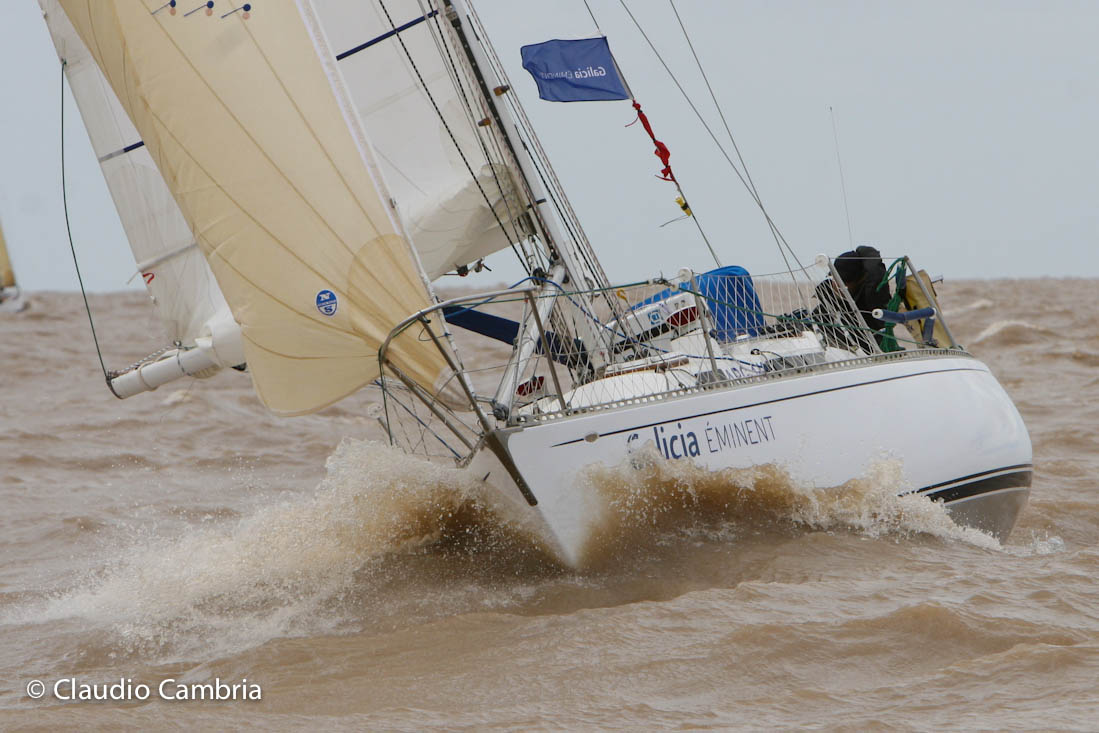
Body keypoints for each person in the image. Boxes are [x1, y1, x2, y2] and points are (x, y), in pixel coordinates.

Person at [813, 245, 891, 352]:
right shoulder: (827, 302)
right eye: (834, 278)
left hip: (867, 355)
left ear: (860, 280)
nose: (837, 284)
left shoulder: (871, 301)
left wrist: (862, 252)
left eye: (844, 281)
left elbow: (876, 275)